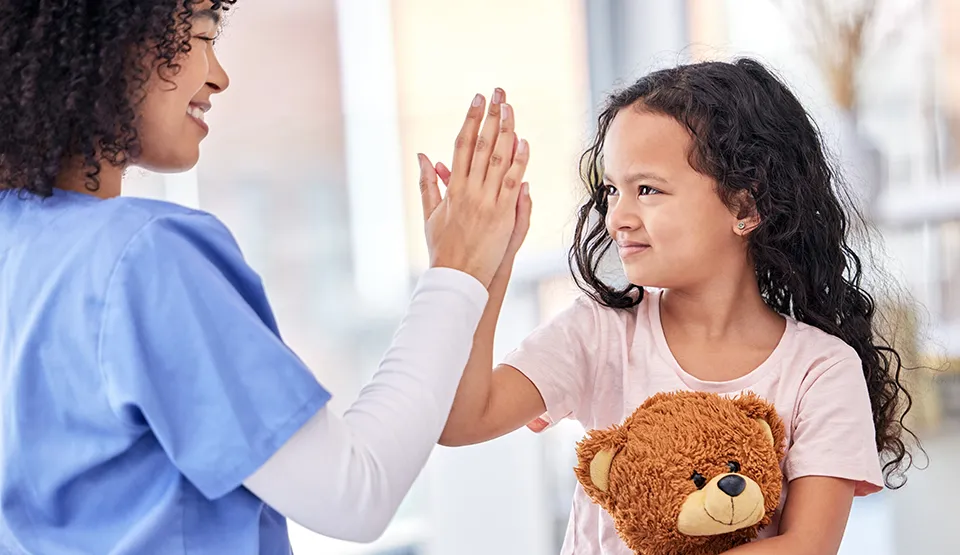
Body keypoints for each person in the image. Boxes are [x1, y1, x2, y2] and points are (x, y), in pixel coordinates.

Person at [0, 1, 532, 553]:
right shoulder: (145, 259)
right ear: (110, 42)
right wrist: (458, 268)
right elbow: (355, 492)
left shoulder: (17, 246)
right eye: (200, 37)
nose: (218, 75)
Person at [435, 58, 918, 554]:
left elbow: (807, 547)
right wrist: (479, 272)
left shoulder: (821, 369)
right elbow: (460, 420)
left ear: (745, 208)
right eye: (611, 190)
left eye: (647, 190)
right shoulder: (600, 332)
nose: (617, 216)